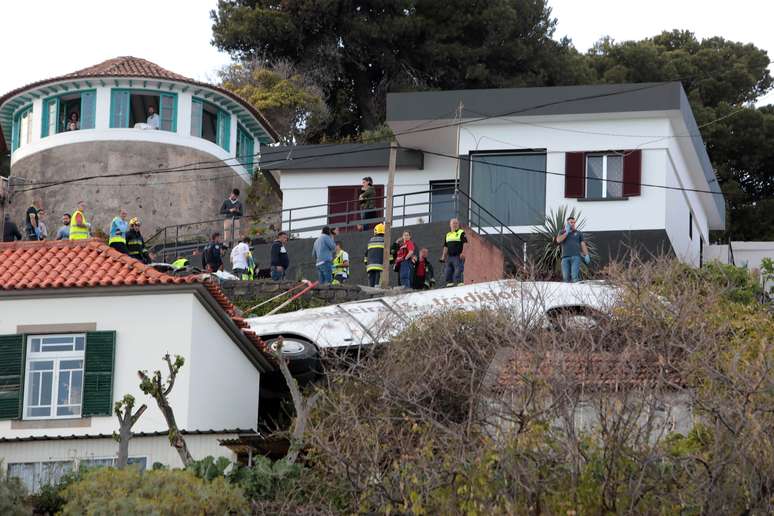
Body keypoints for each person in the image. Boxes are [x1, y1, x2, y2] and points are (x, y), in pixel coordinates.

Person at [556, 216, 590, 283]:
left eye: (574, 222)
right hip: (565, 258)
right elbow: (558, 240)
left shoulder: (579, 233)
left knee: (574, 277)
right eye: (571, 222)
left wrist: (586, 255)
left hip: (576, 257)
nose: (573, 224)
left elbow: (583, 244)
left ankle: (576, 292)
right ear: (567, 223)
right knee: (565, 278)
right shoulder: (562, 232)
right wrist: (566, 232)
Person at [440, 218, 467, 287]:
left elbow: (465, 244)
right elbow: (445, 246)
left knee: (458, 271)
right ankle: (450, 284)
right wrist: (443, 256)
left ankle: (460, 283)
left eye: (456, 223)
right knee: (448, 272)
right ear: (450, 225)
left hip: (458, 256)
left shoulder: (461, 232)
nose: (454, 225)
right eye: (453, 223)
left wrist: (463, 253)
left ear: (458, 224)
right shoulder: (447, 235)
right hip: (449, 257)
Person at [364, 223, 387, 287]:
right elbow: (388, 254)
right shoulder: (385, 241)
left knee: (371, 284)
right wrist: (391, 260)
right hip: (379, 266)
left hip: (370, 266)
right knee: (377, 284)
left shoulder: (370, 240)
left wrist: (366, 263)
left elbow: (366, 253)